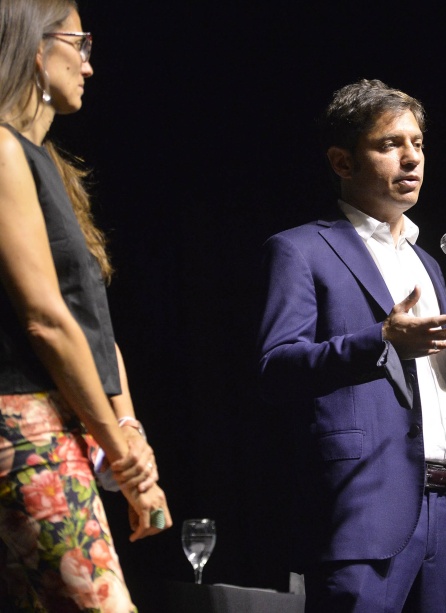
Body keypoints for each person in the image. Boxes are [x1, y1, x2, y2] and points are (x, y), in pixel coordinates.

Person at [257, 78, 446, 612]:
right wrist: (381, 339)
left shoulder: (428, 262)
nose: (412, 158)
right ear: (343, 162)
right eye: (390, 144)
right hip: (363, 509)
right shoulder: (300, 250)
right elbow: (276, 368)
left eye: (418, 143)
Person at [0, 0, 172, 610]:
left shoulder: (47, 165)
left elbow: (89, 322)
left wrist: (129, 434)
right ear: (36, 46)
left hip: (66, 426)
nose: (89, 65)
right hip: (26, 425)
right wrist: (123, 456)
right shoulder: (2, 152)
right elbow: (46, 321)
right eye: (81, 44)